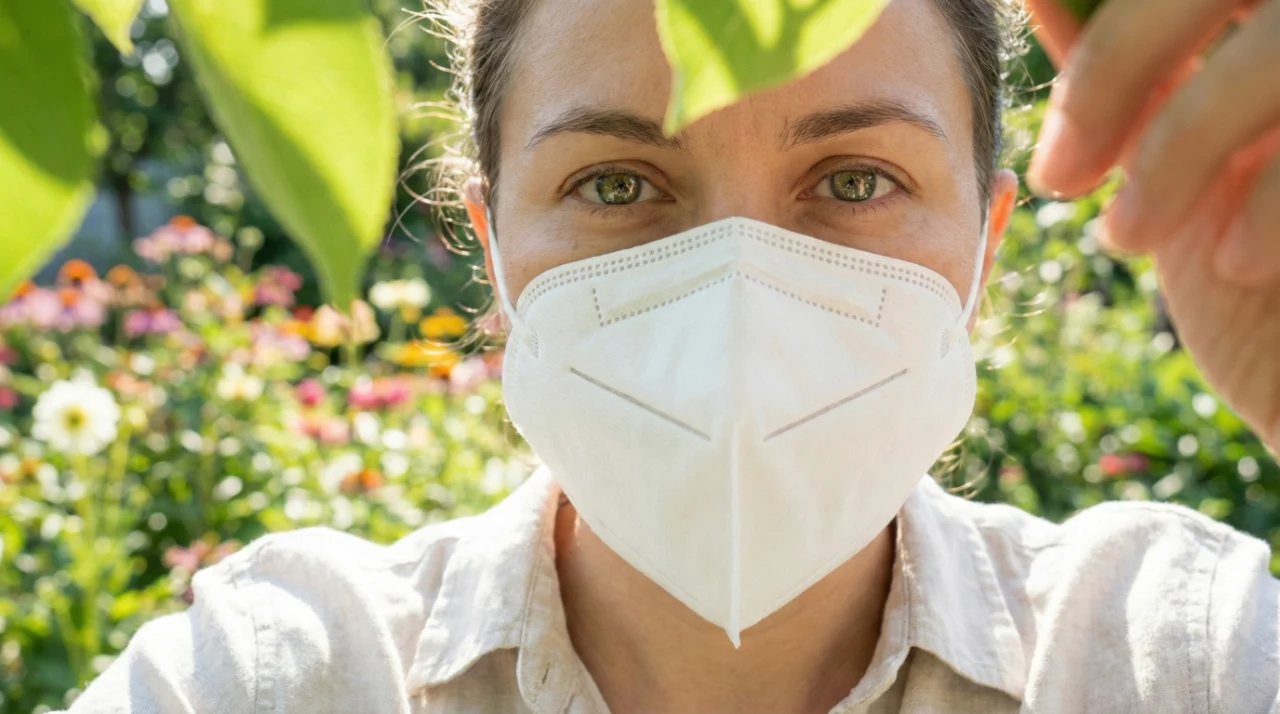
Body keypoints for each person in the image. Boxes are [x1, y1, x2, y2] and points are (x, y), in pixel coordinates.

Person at [63, 0, 1280, 710]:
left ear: (983, 239)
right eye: (615, 182)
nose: (735, 288)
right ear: (491, 249)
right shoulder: (286, 678)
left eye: (853, 180)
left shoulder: (1174, 657)